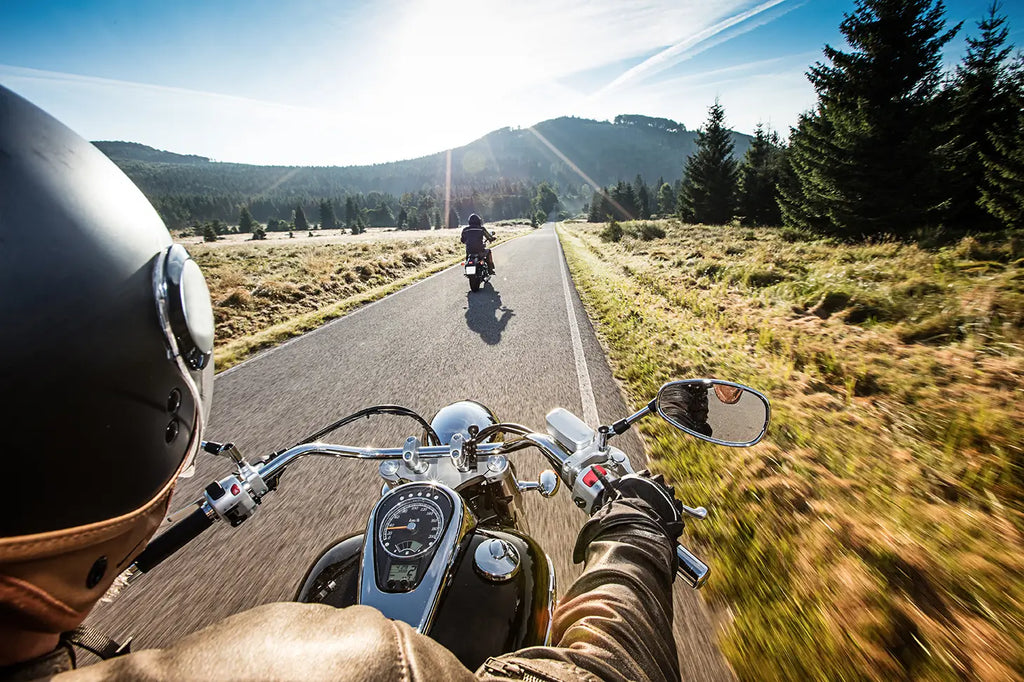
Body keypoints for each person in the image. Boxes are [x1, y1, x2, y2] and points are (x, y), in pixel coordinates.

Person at [0, 86, 684, 682]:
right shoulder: (376, 665)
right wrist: (636, 526)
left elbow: (474, 250)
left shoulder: (474, 233)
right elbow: (602, 671)